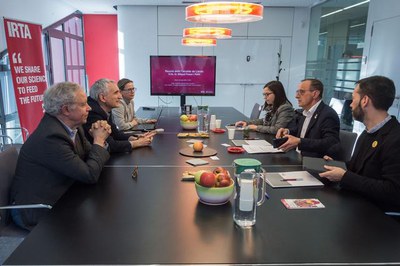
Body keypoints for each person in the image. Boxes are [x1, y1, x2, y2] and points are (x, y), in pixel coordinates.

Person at [10, 82, 111, 230]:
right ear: (66, 110)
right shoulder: (51, 137)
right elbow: (90, 174)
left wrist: (100, 143)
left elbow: (91, 157)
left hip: (62, 194)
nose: (89, 107)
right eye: (83, 104)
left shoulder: (73, 127)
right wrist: (99, 140)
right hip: (37, 209)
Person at [320, 76, 400, 212]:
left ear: (365, 101)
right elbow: (360, 170)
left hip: (377, 218)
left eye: (353, 98)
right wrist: (337, 165)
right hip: (355, 205)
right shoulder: (367, 133)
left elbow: (393, 191)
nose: (350, 104)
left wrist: (345, 176)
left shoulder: (395, 138)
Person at [84, 78, 155, 153]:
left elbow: (115, 133)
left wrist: (135, 137)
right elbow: (109, 145)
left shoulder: (106, 108)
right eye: (116, 93)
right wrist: (138, 143)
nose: (120, 97)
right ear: (102, 98)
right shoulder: (92, 113)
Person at [276, 78, 340, 158]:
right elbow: (301, 132)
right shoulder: (305, 112)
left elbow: (330, 143)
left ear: (315, 94)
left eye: (301, 92)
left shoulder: (328, 114)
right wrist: (287, 131)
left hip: (312, 162)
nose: (296, 96)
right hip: (297, 157)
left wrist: (300, 142)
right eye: (297, 92)